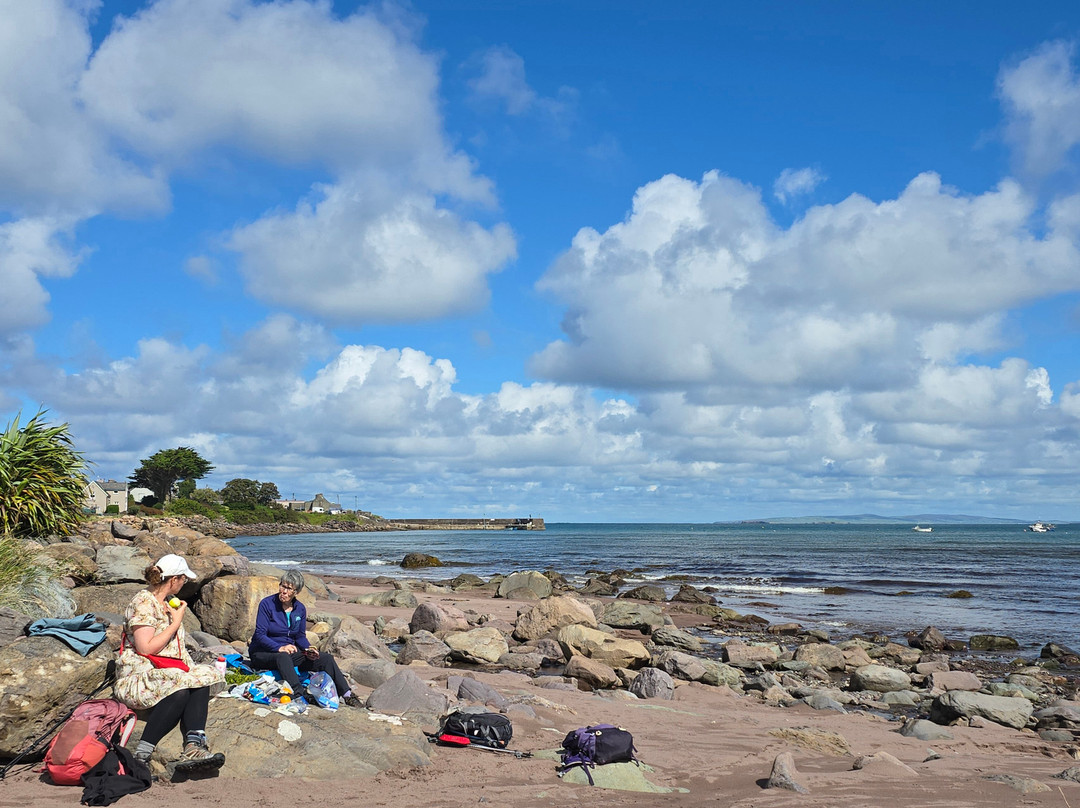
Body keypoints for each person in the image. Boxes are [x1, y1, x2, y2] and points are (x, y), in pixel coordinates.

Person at [114, 554, 225, 773]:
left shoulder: (165, 603)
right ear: (173, 580)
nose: (185, 583)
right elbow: (145, 648)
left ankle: (194, 745)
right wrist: (175, 623)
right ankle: (142, 754)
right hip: (139, 674)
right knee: (182, 690)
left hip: (163, 670)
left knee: (201, 678)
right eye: (183, 578)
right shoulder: (143, 602)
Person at [248, 570, 361, 707]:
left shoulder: (299, 609)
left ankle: (347, 694)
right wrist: (280, 648)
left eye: (289, 588)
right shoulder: (267, 604)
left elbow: (300, 636)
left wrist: (309, 649)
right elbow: (260, 635)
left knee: (325, 659)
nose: (283, 591)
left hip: (289, 654)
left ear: (296, 592)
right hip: (263, 653)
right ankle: (299, 693)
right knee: (283, 656)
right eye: (282, 586)